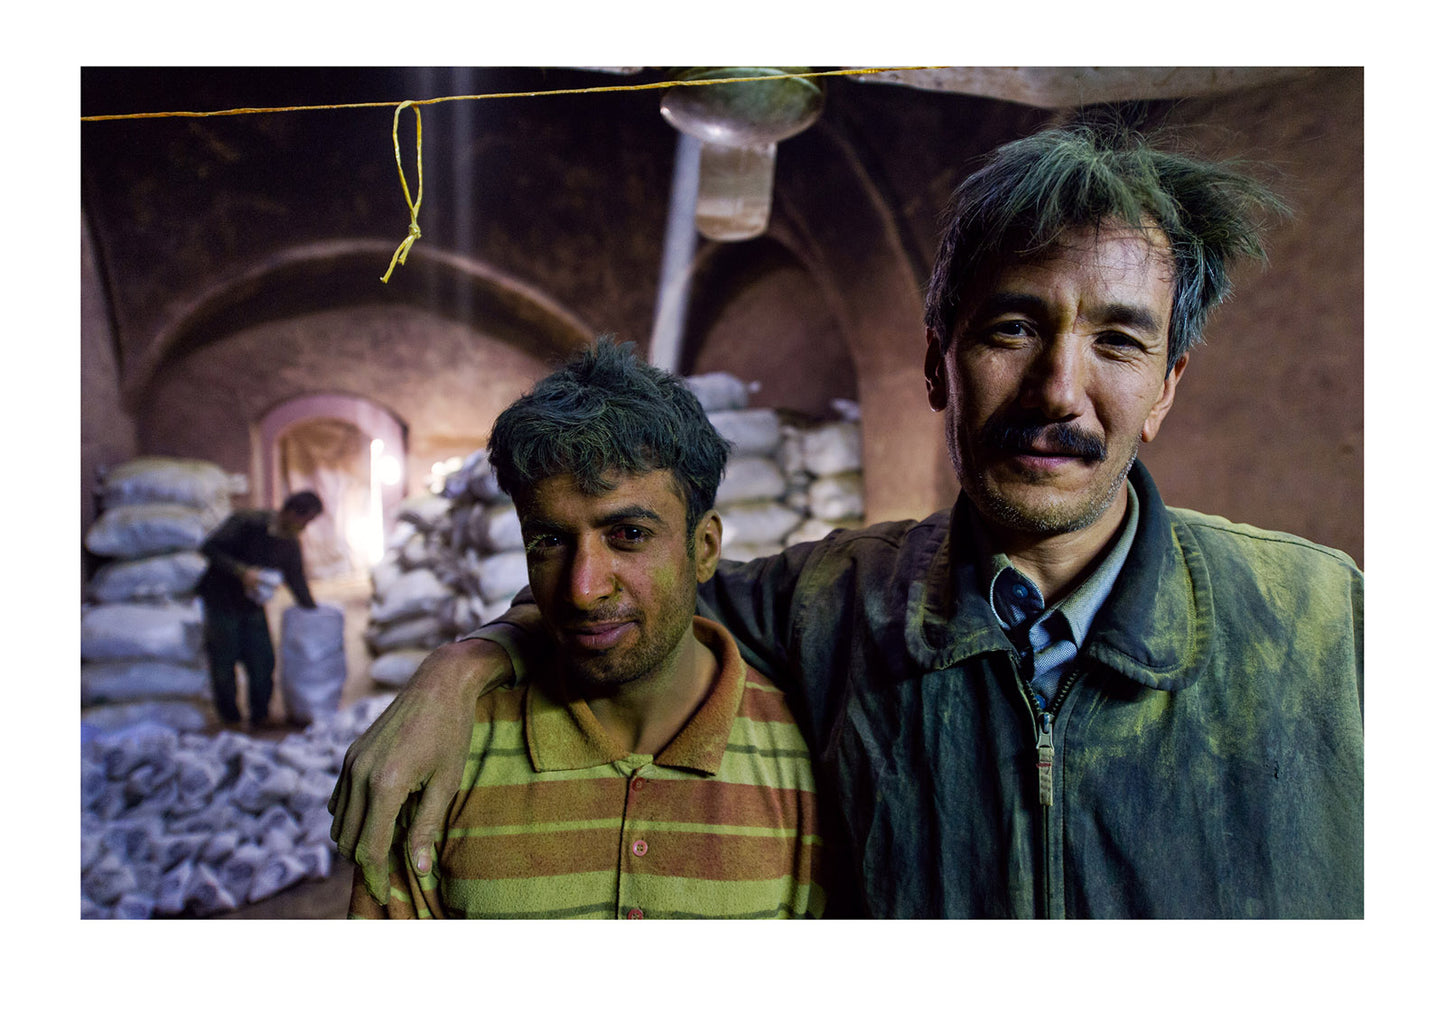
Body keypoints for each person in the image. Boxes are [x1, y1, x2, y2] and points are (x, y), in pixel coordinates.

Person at [330, 123, 1363, 919]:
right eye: (1010, 327)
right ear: (934, 360)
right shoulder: (829, 605)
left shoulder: (1328, 628)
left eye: (1118, 343)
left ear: (1167, 385)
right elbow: (618, 591)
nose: (1057, 388)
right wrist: (461, 665)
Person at [347, 339, 824, 919]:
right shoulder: (446, 750)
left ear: (704, 549)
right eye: (548, 542)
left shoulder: (797, 758)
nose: (583, 588)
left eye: (628, 535)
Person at [196, 490, 323, 727]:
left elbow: (296, 579)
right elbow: (209, 548)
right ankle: (230, 718)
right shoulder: (247, 522)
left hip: (251, 603)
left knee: (262, 659)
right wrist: (241, 571)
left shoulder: (290, 544)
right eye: (304, 520)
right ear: (290, 512)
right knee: (224, 660)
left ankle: (260, 715)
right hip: (221, 599)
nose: (305, 527)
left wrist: (314, 612)